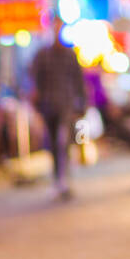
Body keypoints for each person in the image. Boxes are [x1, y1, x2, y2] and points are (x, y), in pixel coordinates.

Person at [31, 17, 87, 199]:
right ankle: (58, 178)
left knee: (65, 141)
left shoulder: (69, 54)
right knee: (54, 143)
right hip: (48, 105)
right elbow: (35, 81)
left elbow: (78, 80)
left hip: (66, 104)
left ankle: (65, 177)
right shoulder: (42, 55)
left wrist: (82, 103)